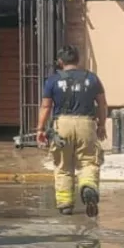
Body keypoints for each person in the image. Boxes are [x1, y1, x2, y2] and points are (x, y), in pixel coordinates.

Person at [36, 45, 107, 216]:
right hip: (86, 123)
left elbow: (46, 107)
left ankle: (65, 203)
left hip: (62, 125)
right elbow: (102, 103)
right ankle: (88, 186)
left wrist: (40, 129)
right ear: (78, 60)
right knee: (88, 161)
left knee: (63, 165)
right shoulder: (92, 78)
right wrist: (102, 125)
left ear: (60, 62)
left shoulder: (52, 80)